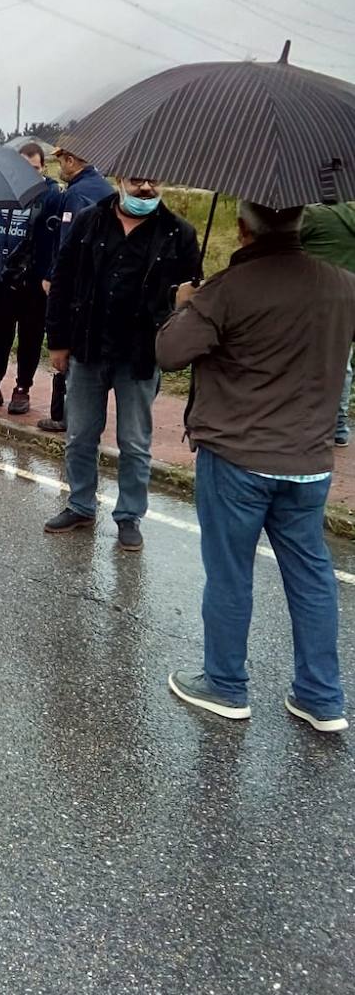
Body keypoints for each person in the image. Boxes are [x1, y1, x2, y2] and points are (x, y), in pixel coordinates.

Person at [157, 201, 355, 732]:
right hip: (310, 460)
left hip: (239, 456)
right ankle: (321, 696)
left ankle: (225, 684)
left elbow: (171, 352)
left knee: (230, 571)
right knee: (312, 574)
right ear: (300, 225)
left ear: (242, 230)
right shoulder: (342, 284)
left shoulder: (229, 287)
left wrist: (185, 304)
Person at [44, 175, 200, 552]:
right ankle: (80, 504)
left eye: (154, 181)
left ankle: (129, 516)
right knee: (80, 435)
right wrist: (58, 342)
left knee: (134, 442)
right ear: (119, 180)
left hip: (141, 354)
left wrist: (185, 299)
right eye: (136, 180)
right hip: (87, 346)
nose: (146, 189)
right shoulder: (88, 221)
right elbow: (62, 280)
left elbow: (193, 298)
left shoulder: (180, 233)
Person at [0, 142, 62, 415]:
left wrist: (50, 275)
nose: (29, 173)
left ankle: (23, 388)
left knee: (31, 338)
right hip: (2, 278)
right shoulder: (1, 191)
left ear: (43, 168)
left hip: (35, 282)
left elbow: (59, 240)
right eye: (23, 167)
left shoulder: (52, 196)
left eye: (34, 168)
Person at [37, 144, 114, 433]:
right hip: (105, 286)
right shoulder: (106, 190)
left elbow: (67, 246)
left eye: (61, 162)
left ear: (71, 161)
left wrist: (53, 278)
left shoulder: (75, 195)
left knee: (73, 353)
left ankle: (70, 418)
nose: (59, 169)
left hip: (79, 288)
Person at [300, 201, 355, 447]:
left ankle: (305, 421)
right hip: (348, 300)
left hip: (312, 300)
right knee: (342, 363)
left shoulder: (312, 216)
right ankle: (339, 425)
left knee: (303, 361)